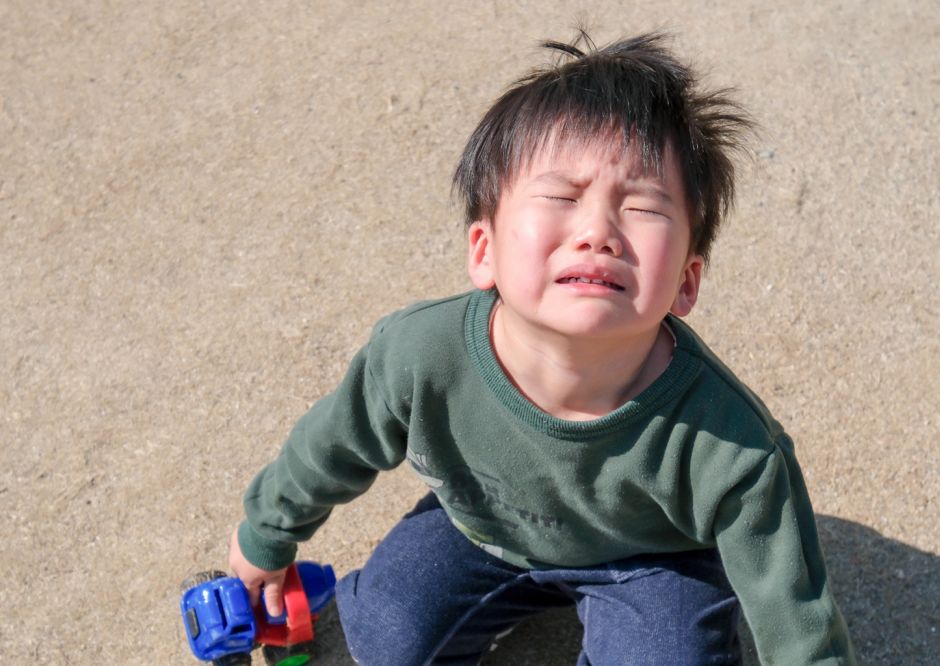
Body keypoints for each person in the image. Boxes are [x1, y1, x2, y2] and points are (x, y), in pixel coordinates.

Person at [227, 32, 857, 665]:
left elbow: (797, 616)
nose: (597, 232)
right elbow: (332, 445)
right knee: (387, 634)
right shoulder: (420, 357)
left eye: (642, 206)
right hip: (485, 524)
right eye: (561, 196)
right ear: (484, 250)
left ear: (686, 282)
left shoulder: (732, 446)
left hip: (654, 559)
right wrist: (265, 535)